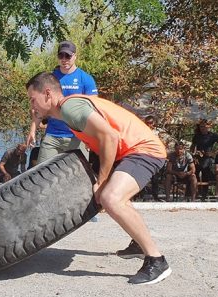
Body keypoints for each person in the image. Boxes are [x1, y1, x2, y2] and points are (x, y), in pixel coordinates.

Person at [26, 72, 171, 285]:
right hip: (130, 152)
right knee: (113, 196)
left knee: (110, 197)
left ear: (47, 94)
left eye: (33, 99)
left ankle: (157, 261)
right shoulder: (69, 111)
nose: (32, 105)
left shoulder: (70, 108)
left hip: (144, 150)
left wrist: (101, 181)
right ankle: (139, 244)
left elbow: (110, 137)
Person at [26, 40, 97, 163]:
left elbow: (94, 110)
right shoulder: (50, 78)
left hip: (77, 137)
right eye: (61, 56)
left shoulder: (85, 79)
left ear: (75, 56)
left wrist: (91, 137)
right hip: (53, 136)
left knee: (79, 178)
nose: (64, 59)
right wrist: (33, 130)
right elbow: (40, 106)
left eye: (68, 56)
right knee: (44, 175)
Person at [190, 119, 218, 199]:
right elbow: (192, 147)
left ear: (208, 127)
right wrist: (195, 153)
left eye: (204, 126)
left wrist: (214, 153)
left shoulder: (213, 136)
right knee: (195, 173)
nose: (202, 128)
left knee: (205, 173)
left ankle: (204, 194)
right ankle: (195, 193)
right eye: (201, 127)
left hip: (208, 158)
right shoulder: (197, 136)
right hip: (198, 157)